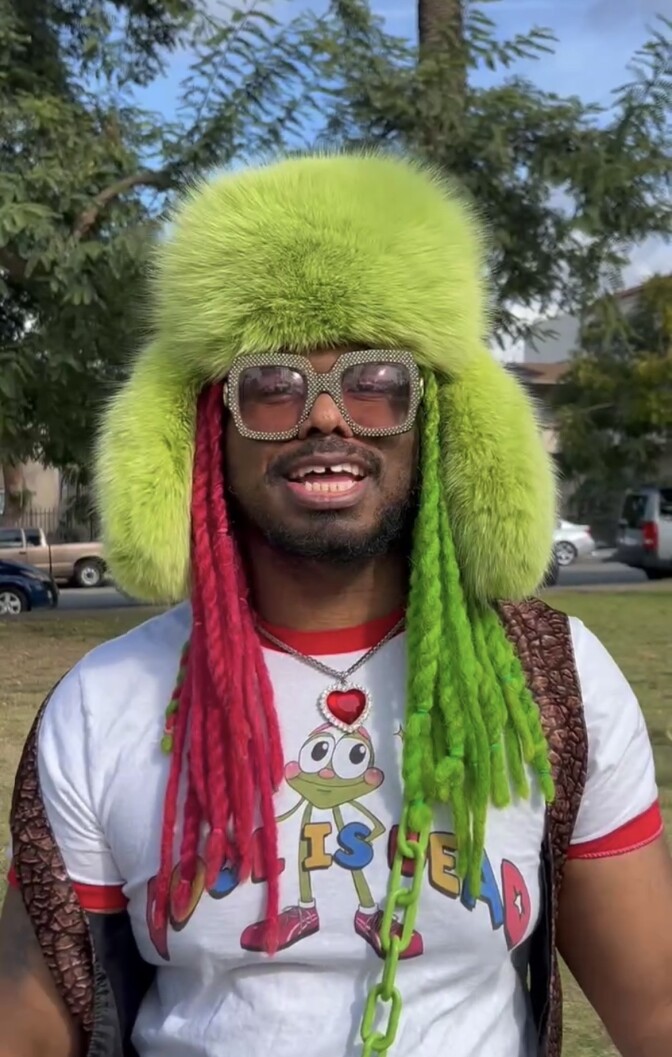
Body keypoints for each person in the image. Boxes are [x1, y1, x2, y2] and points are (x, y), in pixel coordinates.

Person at [1, 152, 671, 1057]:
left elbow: (656, 1007)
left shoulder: (552, 679)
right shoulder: (104, 701)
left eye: (377, 381)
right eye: (271, 386)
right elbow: (31, 1026)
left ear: (436, 418)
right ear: (207, 428)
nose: (327, 418)